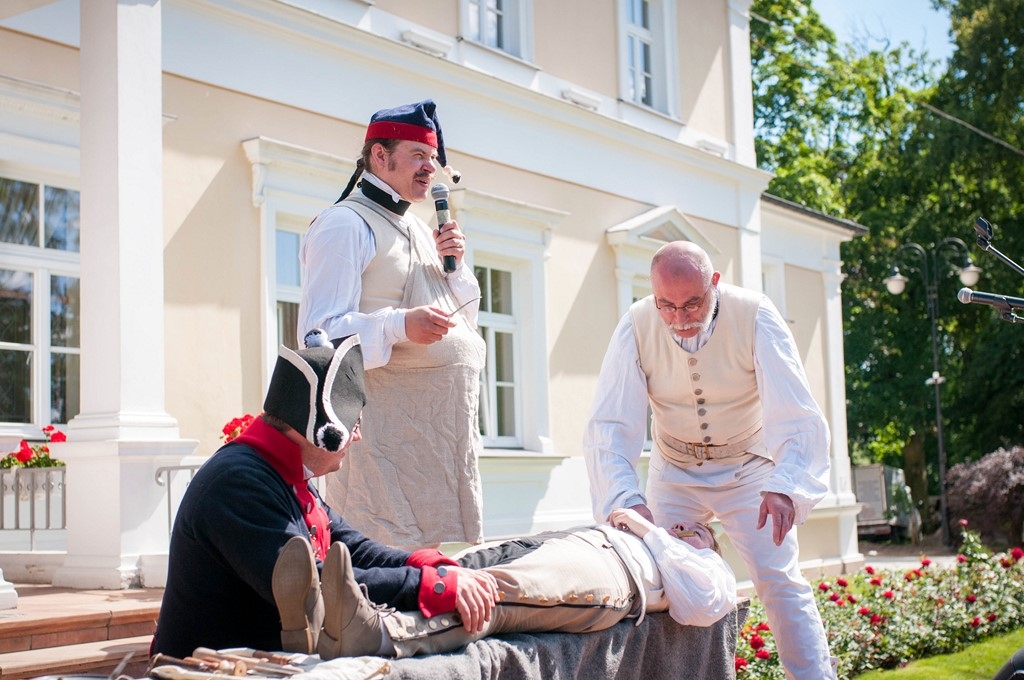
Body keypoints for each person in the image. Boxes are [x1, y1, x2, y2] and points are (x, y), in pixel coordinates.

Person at [150, 330, 495, 659]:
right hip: (207, 669)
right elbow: (314, 585)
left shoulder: (277, 472)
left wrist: (423, 565)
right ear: (322, 430)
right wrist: (426, 585)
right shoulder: (237, 484)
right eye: (354, 424)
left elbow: (351, 548)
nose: (357, 437)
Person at [583, 240, 836, 679]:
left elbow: (796, 411)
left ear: (714, 283)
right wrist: (626, 499)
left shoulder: (755, 314)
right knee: (658, 581)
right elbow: (610, 425)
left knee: (779, 581)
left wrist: (786, 485)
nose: (679, 319)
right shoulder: (637, 324)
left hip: (749, 468)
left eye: (692, 304)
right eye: (667, 305)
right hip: (674, 471)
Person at [297, 99, 486, 549]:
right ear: (380, 156)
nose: (430, 168)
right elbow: (318, 337)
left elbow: (464, 324)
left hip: (438, 450)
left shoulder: (420, 229)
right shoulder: (344, 225)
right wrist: (399, 326)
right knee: (382, 567)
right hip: (381, 449)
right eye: (418, 155)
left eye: (433, 158)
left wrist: (456, 267)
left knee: (439, 573)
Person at [271, 506, 737, 659]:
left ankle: (379, 635)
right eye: (681, 526)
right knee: (459, 569)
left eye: (697, 532)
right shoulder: (650, 536)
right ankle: (323, 619)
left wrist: (648, 531)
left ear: (711, 549)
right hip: (579, 539)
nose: (683, 529)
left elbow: (701, 600)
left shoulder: (712, 571)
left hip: (613, 573)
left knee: (492, 593)